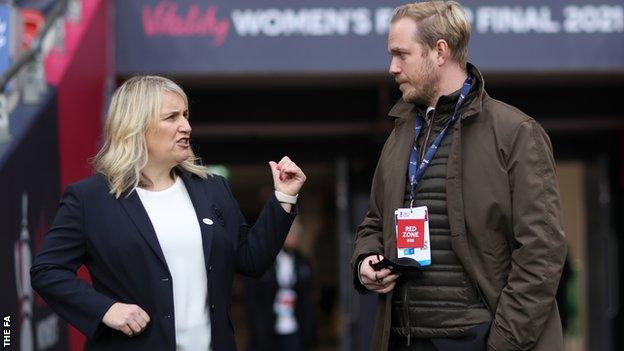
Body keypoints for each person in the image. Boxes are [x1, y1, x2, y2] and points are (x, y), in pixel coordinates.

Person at [30, 75, 306, 351]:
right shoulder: (90, 199)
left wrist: (284, 196)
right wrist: (106, 309)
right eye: (171, 117)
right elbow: (48, 271)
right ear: (136, 126)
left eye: (185, 115)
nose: (185, 126)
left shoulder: (213, 189)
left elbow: (252, 260)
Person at [351, 2, 567, 351]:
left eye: (401, 54)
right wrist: (364, 262)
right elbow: (374, 222)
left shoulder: (516, 133)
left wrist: (501, 343)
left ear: (439, 51)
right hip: (404, 338)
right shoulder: (400, 135)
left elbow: (542, 253)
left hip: (478, 339)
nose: (392, 68)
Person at [244, 218, 316, 351]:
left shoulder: (302, 262)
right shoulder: (264, 260)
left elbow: (307, 298)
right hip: (268, 328)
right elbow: (252, 296)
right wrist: (258, 326)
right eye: (290, 233)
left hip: (294, 327)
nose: (293, 238)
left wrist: (309, 330)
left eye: (297, 234)